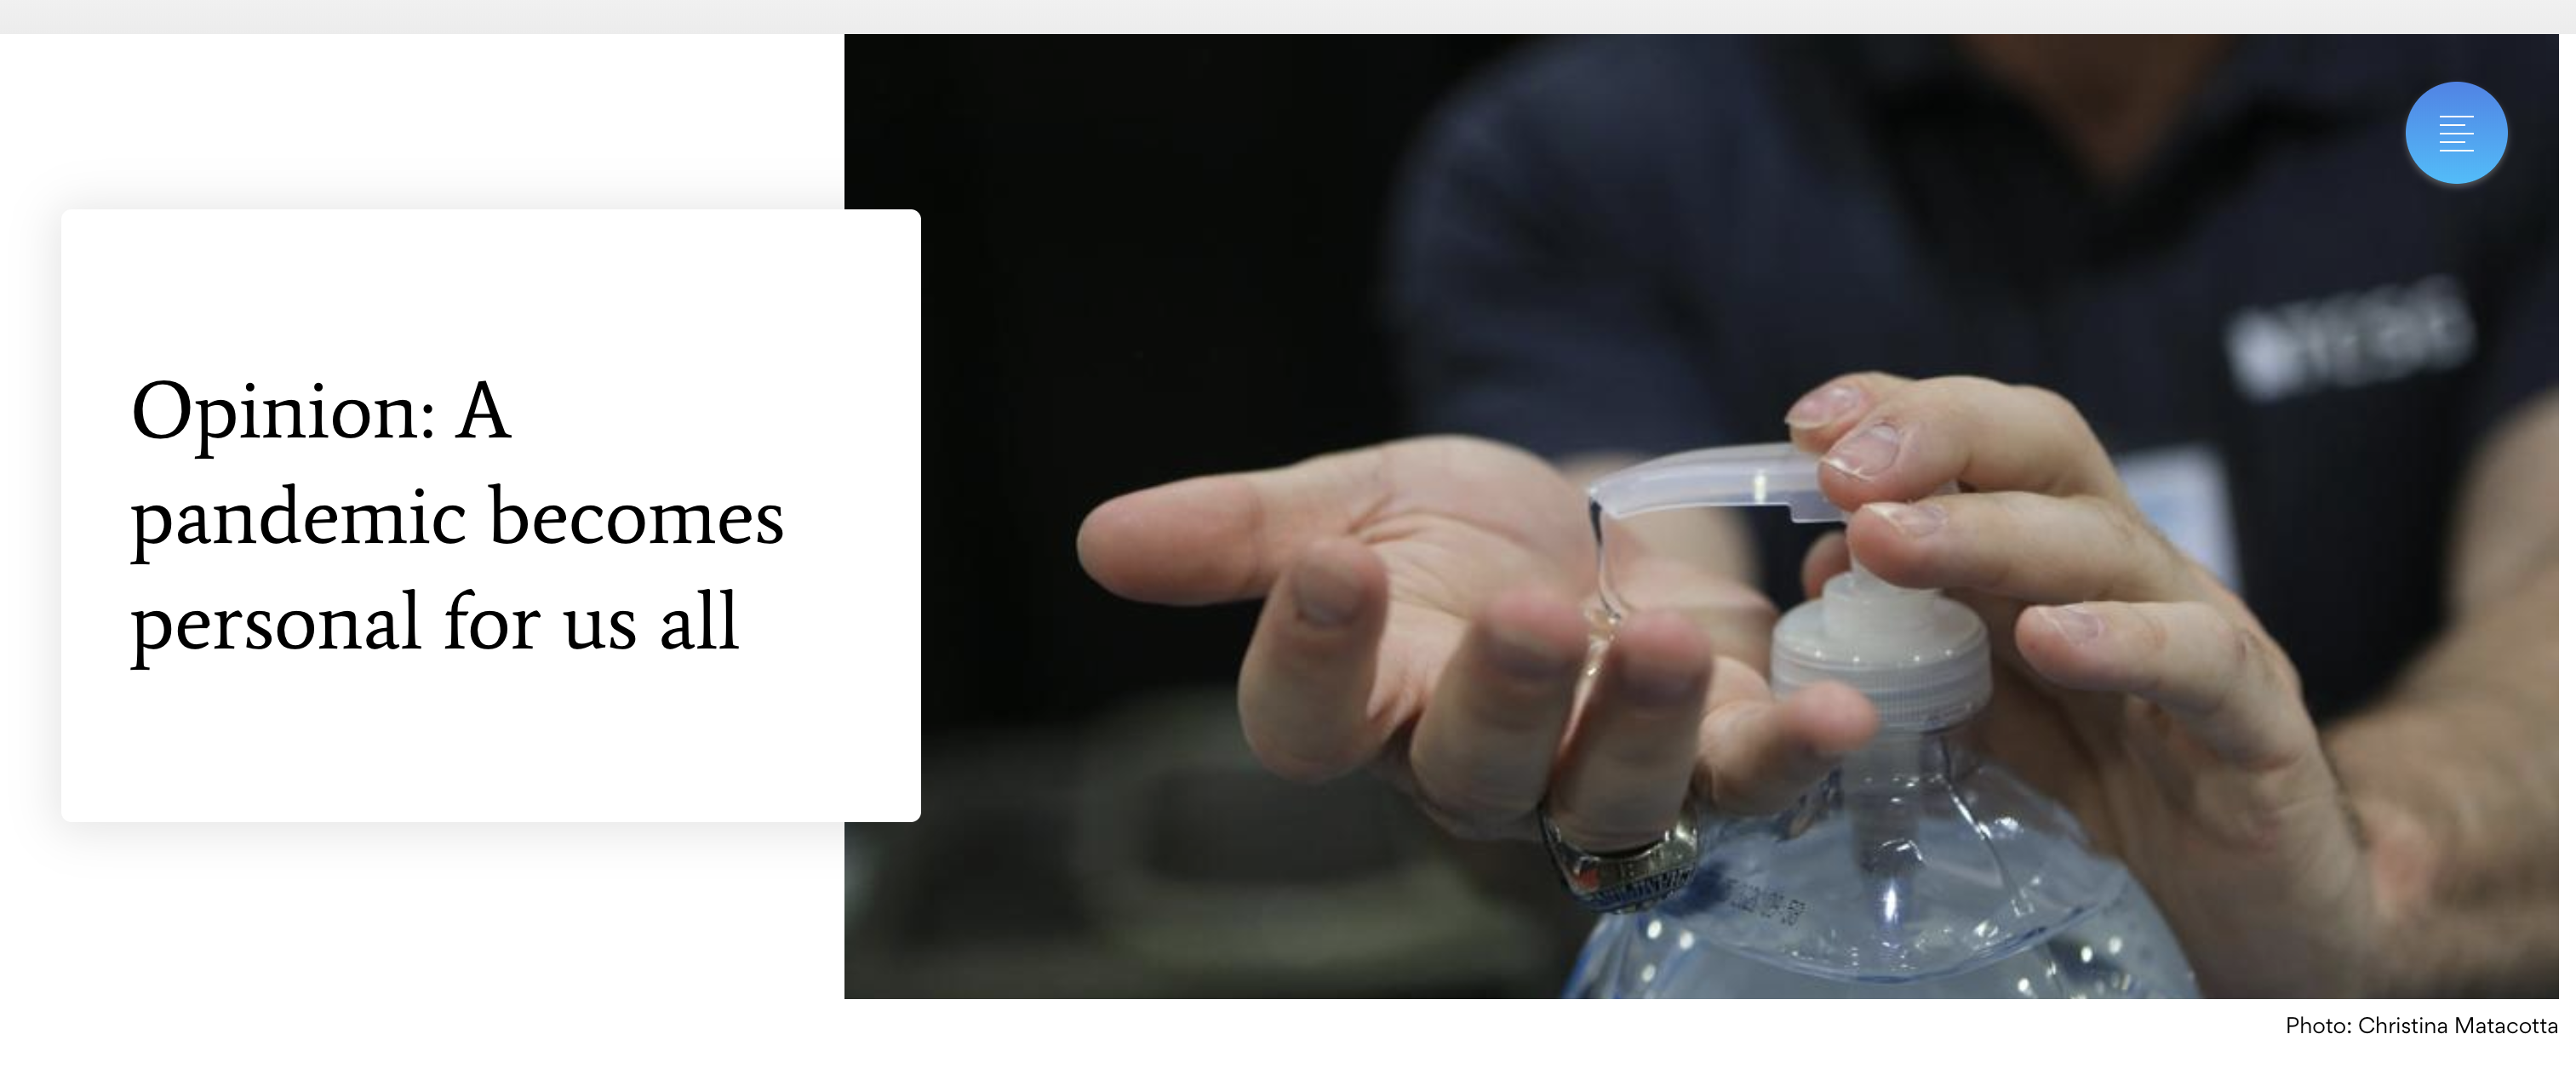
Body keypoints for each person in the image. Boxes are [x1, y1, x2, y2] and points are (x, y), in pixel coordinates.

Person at [1077, 36, 2556, 997]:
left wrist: (2360, 867)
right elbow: (1648, 613)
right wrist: (1601, 721)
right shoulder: (1588, 151)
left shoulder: (2500, 87)